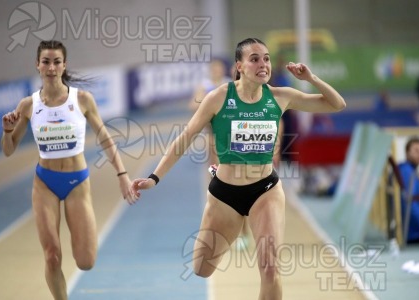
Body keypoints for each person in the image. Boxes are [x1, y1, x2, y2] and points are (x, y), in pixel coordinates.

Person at [131, 38, 346, 299]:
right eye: (254, 59)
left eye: (266, 58)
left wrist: (311, 78)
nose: (263, 64)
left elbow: (337, 104)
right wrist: (154, 178)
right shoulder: (219, 97)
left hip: (265, 190)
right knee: (201, 268)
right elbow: (183, 139)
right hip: (225, 195)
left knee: (270, 268)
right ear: (240, 66)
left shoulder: (280, 97)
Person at [1, 40, 136, 300]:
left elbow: (105, 138)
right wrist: (7, 133)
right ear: (37, 65)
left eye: (56, 62)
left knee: (86, 261)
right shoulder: (28, 105)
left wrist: (122, 175)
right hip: (45, 183)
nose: (51, 67)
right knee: (52, 255)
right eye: (46, 62)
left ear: (64, 65)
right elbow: (8, 149)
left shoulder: (82, 99)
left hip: (77, 183)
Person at [190, 58, 232, 166]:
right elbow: (193, 105)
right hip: (212, 128)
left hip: (229, 125)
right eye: (214, 69)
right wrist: (206, 102)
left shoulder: (229, 83)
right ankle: (213, 179)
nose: (217, 71)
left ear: (223, 70)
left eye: (219, 69)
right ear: (211, 71)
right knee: (213, 159)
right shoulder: (205, 85)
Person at [398, 136, 419, 243]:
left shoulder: (409, 171)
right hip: (415, 233)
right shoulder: (407, 172)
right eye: (416, 151)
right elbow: (410, 205)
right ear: (407, 152)